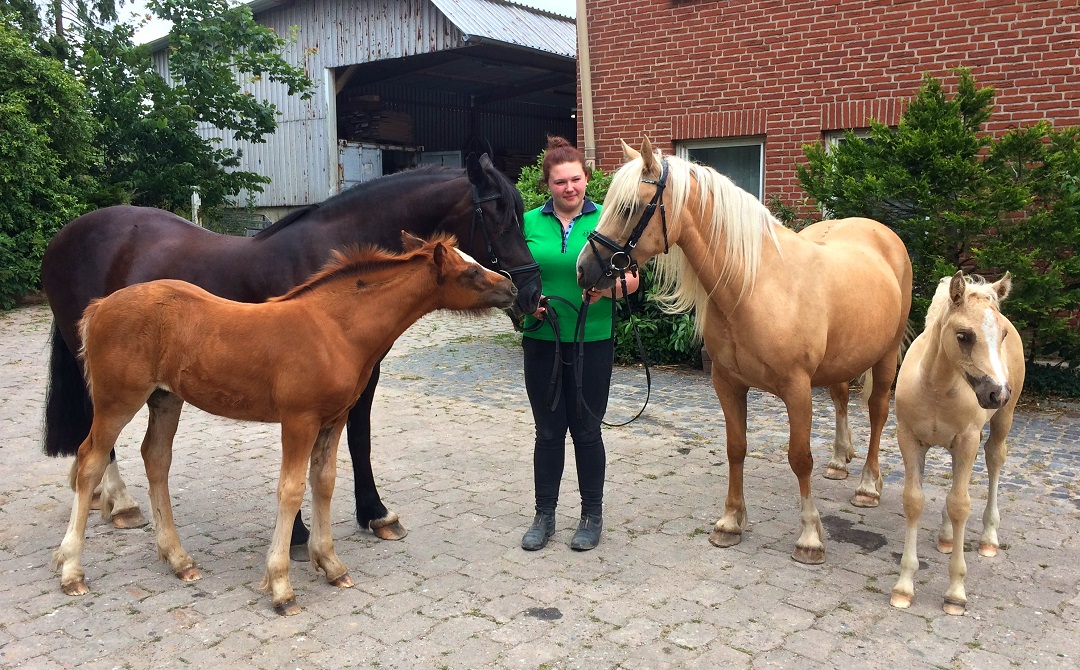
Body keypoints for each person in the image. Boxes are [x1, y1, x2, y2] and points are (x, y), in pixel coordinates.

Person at [519, 135, 639, 552]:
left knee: (587, 430)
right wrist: (526, 304)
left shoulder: (609, 219)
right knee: (548, 431)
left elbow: (632, 278)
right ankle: (544, 515)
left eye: (575, 179)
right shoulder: (528, 223)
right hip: (542, 340)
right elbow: (512, 277)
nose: (569, 188)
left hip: (593, 341)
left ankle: (591, 515)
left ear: (587, 178)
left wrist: (605, 291)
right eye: (559, 182)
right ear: (547, 185)